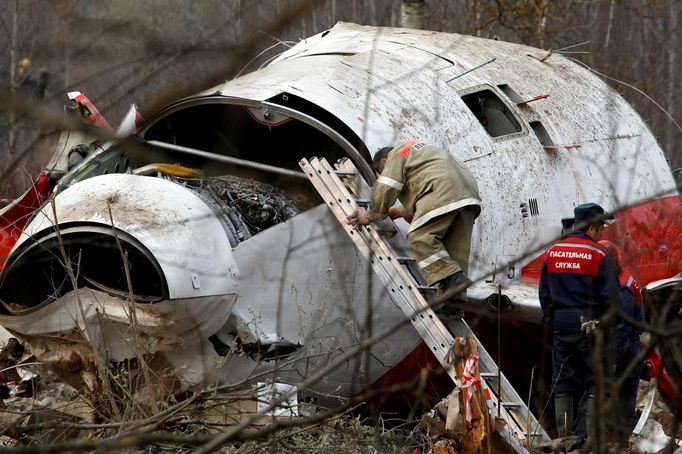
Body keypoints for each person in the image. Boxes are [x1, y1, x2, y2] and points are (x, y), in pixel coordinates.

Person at [346, 141, 481, 318]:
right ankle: (453, 304)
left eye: (382, 170)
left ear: (385, 161)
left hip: (442, 189)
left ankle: (454, 279)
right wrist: (400, 211)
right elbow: (425, 182)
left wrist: (371, 215)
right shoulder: (423, 151)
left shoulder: (398, 154)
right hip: (467, 195)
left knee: (419, 238)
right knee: (454, 251)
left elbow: (388, 185)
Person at [539, 202, 620, 439]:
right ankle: (589, 439)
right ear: (592, 227)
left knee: (563, 378)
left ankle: (565, 440)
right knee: (595, 380)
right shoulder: (599, 254)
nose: (603, 232)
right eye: (602, 227)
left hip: (561, 323)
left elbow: (544, 292)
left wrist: (553, 319)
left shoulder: (552, 252)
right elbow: (610, 298)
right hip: (590, 324)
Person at [598, 240, 645, 437]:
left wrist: (614, 356)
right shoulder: (623, 280)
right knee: (625, 400)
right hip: (630, 347)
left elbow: (622, 326)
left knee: (624, 402)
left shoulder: (623, 286)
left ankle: (628, 440)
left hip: (627, 348)